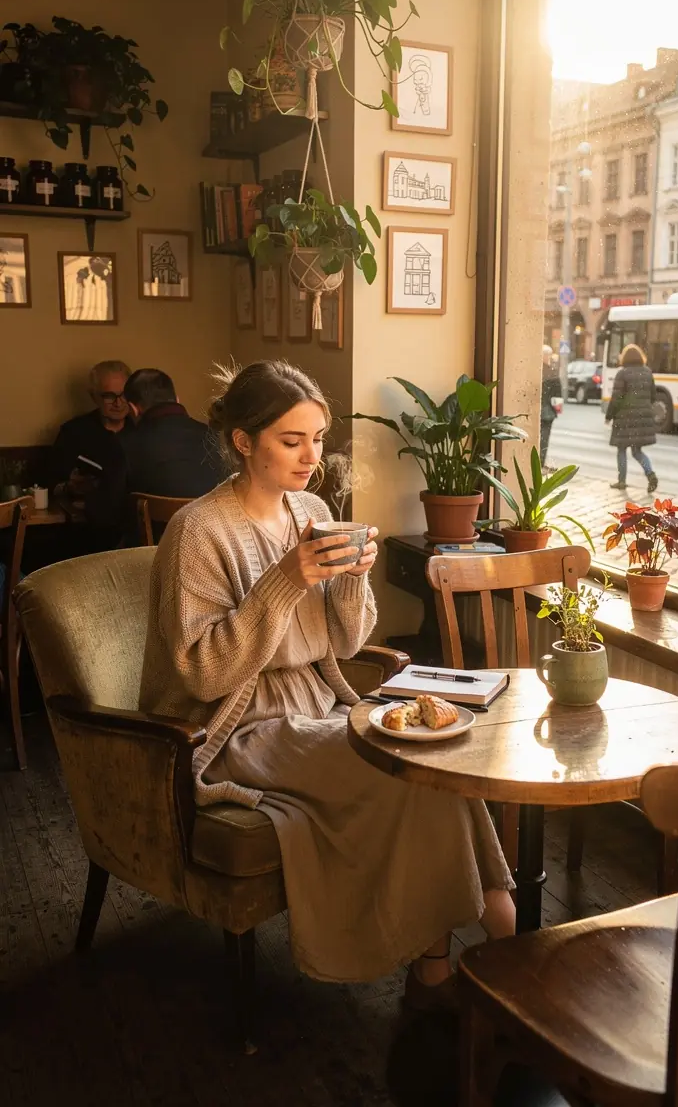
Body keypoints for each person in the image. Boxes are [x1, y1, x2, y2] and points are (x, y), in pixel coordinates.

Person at [139, 359, 515, 1005]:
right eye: (292, 440)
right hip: (242, 726)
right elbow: (202, 673)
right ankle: (481, 953)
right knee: (404, 773)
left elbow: (342, 644)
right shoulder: (197, 531)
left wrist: (351, 577)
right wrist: (285, 580)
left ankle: (489, 936)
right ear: (243, 441)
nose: (311, 456)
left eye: (317, 438)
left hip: (319, 701)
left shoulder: (312, 510)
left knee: (437, 763)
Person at [85, 367, 225, 543]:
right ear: (177, 400)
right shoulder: (215, 437)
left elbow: (103, 517)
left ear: (133, 409)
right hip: (212, 552)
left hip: (148, 560)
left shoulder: (123, 443)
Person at [49, 360, 133, 496]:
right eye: (109, 396)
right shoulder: (73, 432)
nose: (118, 403)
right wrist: (70, 487)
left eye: (124, 395)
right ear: (94, 397)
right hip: (88, 512)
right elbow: (49, 483)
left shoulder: (143, 430)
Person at [605, 343, 659, 493]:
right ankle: (651, 475)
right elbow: (653, 396)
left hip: (624, 419)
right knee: (637, 451)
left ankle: (621, 481)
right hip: (642, 418)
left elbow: (616, 398)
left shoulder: (622, 373)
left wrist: (609, 416)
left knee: (621, 449)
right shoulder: (648, 372)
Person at [539, 344, 563, 464]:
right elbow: (558, 394)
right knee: (544, 438)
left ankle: (533, 460)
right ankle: (540, 462)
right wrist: (558, 409)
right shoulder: (552, 373)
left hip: (535, 410)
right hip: (548, 411)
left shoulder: (535, 370)